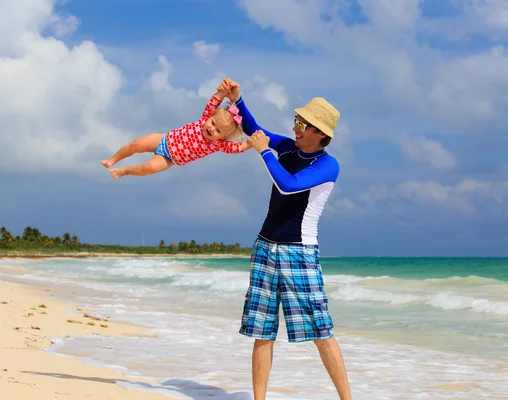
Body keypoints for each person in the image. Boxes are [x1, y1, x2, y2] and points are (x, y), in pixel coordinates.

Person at [218, 78, 352, 400]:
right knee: (262, 332)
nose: (296, 128)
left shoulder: (326, 165)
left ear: (321, 133)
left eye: (303, 124)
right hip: (265, 248)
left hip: (299, 254)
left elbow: (288, 185)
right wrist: (237, 100)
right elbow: (255, 131)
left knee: (321, 331)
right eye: (297, 121)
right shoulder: (289, 147)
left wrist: (265, 153)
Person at [100, 87, 251, 179]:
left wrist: (251, 143)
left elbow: (237, 148)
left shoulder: (218, 145)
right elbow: (214, 101)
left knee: (148, 168)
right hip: (164, 139)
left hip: (169, 158)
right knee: (136, 144)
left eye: (218, 131)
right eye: (212, 123)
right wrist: (223, 91)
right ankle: (112, 159)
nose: (212, 128)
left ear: (223, 137)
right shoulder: (204, 118)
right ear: (210, 117)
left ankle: (125, 171)